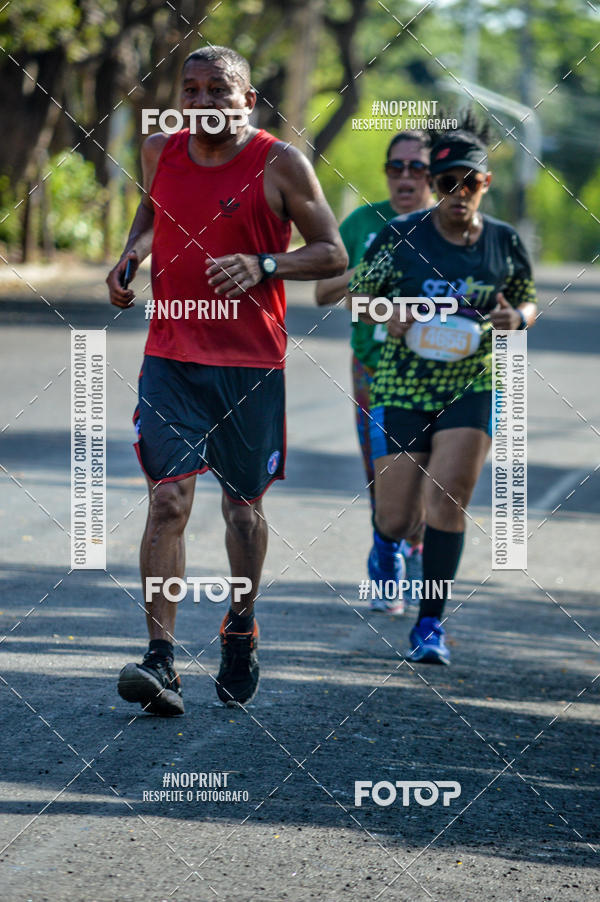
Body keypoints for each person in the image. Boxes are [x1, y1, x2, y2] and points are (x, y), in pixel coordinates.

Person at [106, 45, 347, 714]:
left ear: (249, 101)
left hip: (249, 366)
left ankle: (240, 626)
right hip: (172, 357)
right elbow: (150, 217)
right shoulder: (161, 151)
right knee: (168, 502)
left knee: (242, 509)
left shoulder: (279, 163)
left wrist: (267, 265)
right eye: (192, 89)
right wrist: (129, 260)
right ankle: (160, 658)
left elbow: (333, 252)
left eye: (219, 90)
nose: (204, 101)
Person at [353, 111, 537, 663]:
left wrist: (519, 319)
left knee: (448, 502)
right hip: (403, 388)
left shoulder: (503, 242)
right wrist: (389, 314)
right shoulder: (400, 236)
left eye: (470, 182)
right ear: (434, 186)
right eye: (446, 183)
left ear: (486, 184)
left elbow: (526, 297)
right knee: (397, 516)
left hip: (472, 384)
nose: (459, 193)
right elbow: (360, 298)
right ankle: (387, 545)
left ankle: (429, 624)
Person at [315, 132, 434, 614]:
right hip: (374, 367)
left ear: (434, 174)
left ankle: (415, 550)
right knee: (382, 471)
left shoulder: (447, 225)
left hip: (436, 372)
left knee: (431, 473)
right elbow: (326, 292)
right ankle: (389, 554)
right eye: (396, 167)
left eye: (417, 168)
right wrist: (369, 271)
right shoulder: (364, 223)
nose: (405, 177)